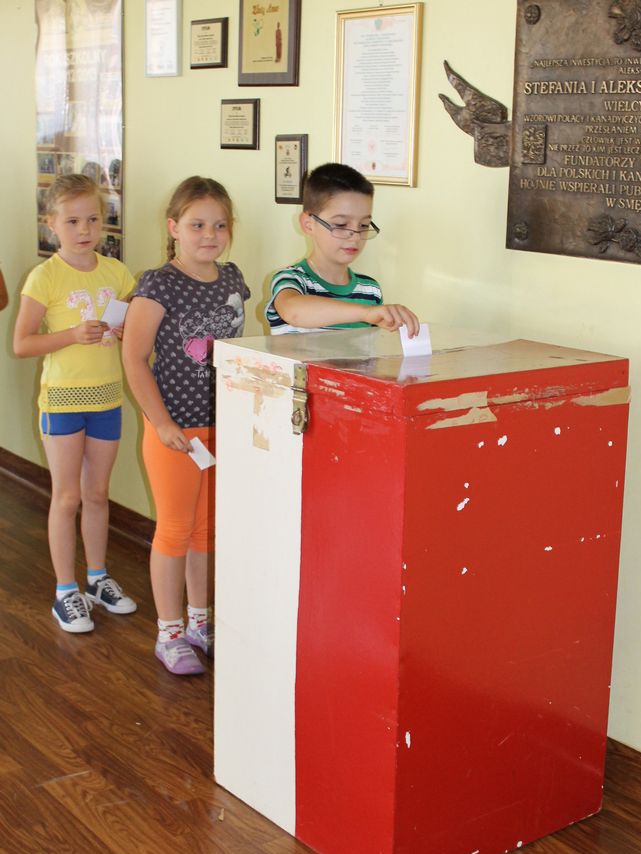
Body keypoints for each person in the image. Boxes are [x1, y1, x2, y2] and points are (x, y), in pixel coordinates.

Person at [122, 176, 250, 675]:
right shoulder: (158, 284)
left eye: (219, 225)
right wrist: (161, 423)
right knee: (175, 531)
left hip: (224, 427)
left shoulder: (233, 278)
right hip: (176, 433)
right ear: (174, 227)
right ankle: (169, 632)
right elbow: (134, 359)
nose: (209, 235)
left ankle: (200, 620)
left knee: (206, 532)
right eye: (197, 225)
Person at [13, 174, 137, 633]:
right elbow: (22, 344)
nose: (84, 229)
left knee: (97, 494)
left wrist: (124, 330)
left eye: (93, 219)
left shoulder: (117, 272)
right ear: (51, 224)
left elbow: (131, 328)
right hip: (63, 400)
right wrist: (71, 334)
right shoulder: (44, 276)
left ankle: (98, 579)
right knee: (67, 497)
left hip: (107, 397)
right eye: (72, 221)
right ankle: (66, 591)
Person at [265, 162, 420, 337]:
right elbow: (294, 312)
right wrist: (366, 313)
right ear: (308, 224)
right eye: (340, 224)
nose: (355, 237)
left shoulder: (370, 290)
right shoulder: (291, 280)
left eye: (364, 225)